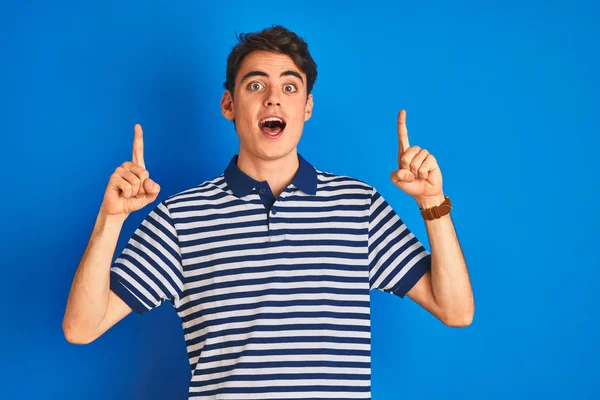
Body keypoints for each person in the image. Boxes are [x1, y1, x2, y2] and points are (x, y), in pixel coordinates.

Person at [63, 25, 474, 399]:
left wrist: (432, 203)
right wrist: (111, 219)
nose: (274, 97)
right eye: (255, 85)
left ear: (307, 107)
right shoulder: (179, 218)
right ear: (229, 104)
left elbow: (455, 310)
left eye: (290, 88)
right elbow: (81, 327)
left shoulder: (359, 206)